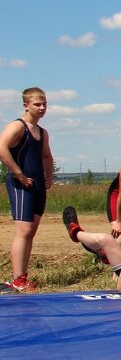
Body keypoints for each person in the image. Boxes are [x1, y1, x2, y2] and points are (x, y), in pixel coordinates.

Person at [2, 87, 53, 293]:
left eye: (44, 104)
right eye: (37, 104)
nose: (42, 108)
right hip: (21, 183)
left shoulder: (42, 132)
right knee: (23, 230)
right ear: (26, 106)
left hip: (37, 185)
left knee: (30, 232)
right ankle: (17, 279)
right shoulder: (18, 126)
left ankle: (22, 275)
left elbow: (47, 156)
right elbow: (1, 147)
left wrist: (49, 176)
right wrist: (18, 174)